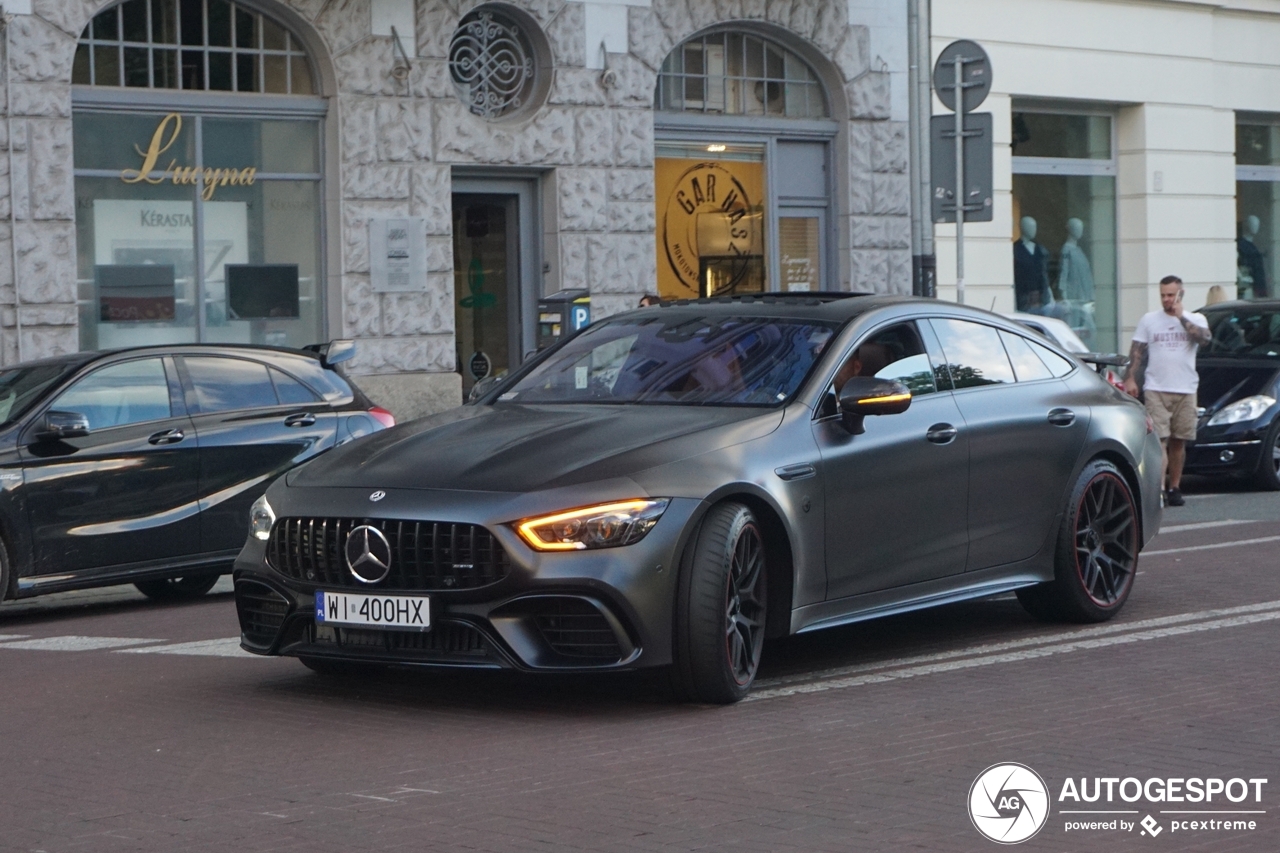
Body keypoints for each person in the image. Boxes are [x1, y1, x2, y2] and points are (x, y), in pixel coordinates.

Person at [1123, 275, 1212, 506]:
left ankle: (1175, 486)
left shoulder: (1196, 319)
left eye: (1171, 295)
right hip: (1156, 387)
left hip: (1185, 387)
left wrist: (1181, 315)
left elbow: (1203, 339)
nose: (1166, 299)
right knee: (1159, 439)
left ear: (1180, 294)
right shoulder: (1149, 320)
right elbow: (1137, 351)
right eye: (1163, 295)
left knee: (1179, 440)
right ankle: (1159, 489)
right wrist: (1130, 377)